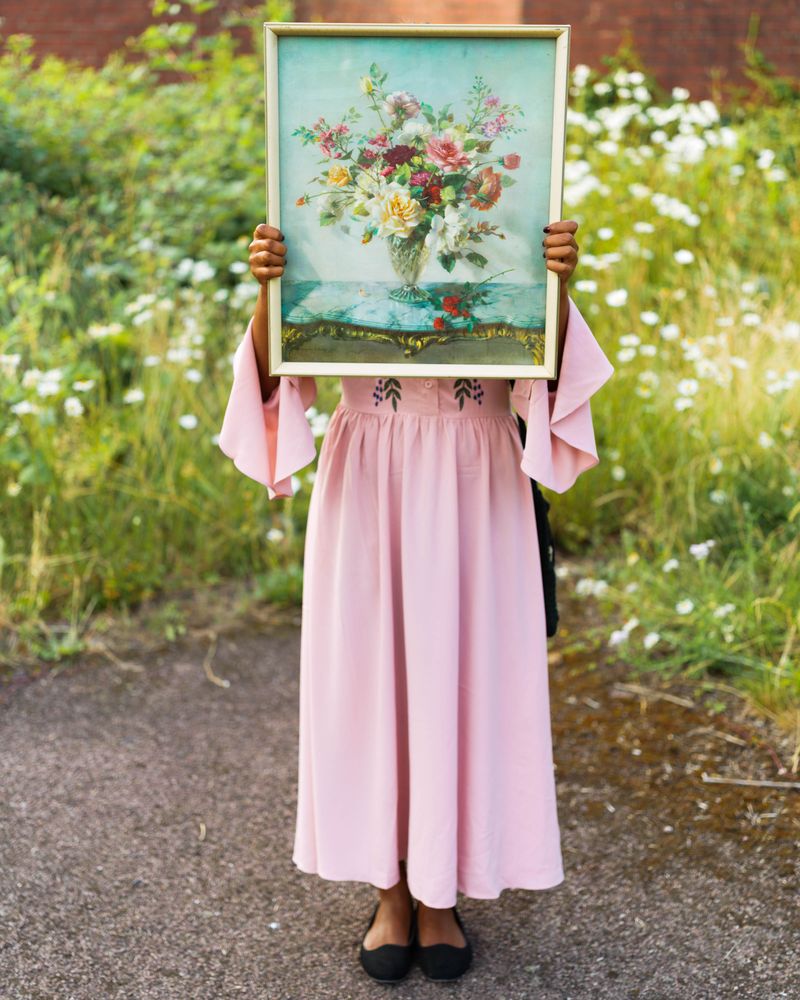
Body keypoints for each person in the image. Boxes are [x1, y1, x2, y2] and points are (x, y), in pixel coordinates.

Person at [218, 219, 614, 983]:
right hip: (369, 461)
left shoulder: (501, 212)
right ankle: (390, 892)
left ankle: (441, 890)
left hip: (480, 467)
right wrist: (271, 287)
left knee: (464, 675)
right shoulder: (337, 215)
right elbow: (276, 378)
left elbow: (552, 377)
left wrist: (559, 282)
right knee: (375, 678)